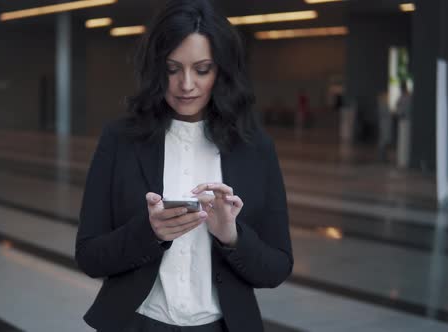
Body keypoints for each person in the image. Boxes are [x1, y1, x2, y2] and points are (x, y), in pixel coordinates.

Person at [75, 1, 293, 331]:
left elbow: (277, 267)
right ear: (155, 69)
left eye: (202, 69)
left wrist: (232, 237)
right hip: (139, 324)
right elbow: (89, 255)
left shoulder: (255, 147)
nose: (186, 84)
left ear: (221, 71)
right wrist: (150, 232)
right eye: (172, 69)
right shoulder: (121, 139)